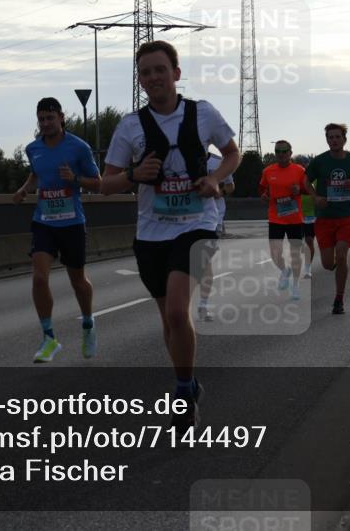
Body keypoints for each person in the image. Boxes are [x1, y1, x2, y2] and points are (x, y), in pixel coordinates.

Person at [101, 40, 239, 430]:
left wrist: (214, 177)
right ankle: (190, 382)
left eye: (160, 69)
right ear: (140, 81)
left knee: (179, 310)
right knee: (169, 319)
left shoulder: (202, 113)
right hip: (150, 233)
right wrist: (133, 176)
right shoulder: (130, 126)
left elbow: (233, 153)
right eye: (145, 72)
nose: (153, 77)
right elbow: (106, 184)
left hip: (197, 225)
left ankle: (181, 392)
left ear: (176, 74)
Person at [13, 97, 102, 363]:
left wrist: (74, 179)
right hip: (44, 222)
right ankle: (49, 337)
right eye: (41, 119)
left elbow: (98, 183)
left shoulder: (79, 148)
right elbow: (36, 173)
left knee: (78, 282)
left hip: (72, 222)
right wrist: (24, 189)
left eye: (50, 118)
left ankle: (88, 323)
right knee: (39, 278)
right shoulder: (33, 149)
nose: (46, 123)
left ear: (61, 117)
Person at [303, 123, 350, 315]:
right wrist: (316, 198)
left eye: (337, 137)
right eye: (330, 137)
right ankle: (339, 269)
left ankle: (339, 298)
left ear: (344, 139)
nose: (333, 140)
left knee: (341, 254)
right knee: (326, 263)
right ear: (327, 140)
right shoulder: (320, 161)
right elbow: (306, 180)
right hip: (324, 219)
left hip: (346, 216)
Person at [259, 141, 306, 302]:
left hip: (294, 218)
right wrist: (264, 196)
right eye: (278, 151)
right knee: (275, 252)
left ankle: (296, 286)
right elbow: (262, 189)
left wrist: (299, 190)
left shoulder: (299, 170)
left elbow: (307, 189)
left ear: (290, 153)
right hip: (276, 217)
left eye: (284, 151)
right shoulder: (268, 171)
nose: (281, 154)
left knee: (295, 254)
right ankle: (284, 270)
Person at [198, 150, 235, 321]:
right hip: (186, 216)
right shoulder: (180, 158)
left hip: (212, 217)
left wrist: (220, 192)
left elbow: (230, 186)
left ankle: (203, 305)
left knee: (205, 260)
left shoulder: (218, 162)